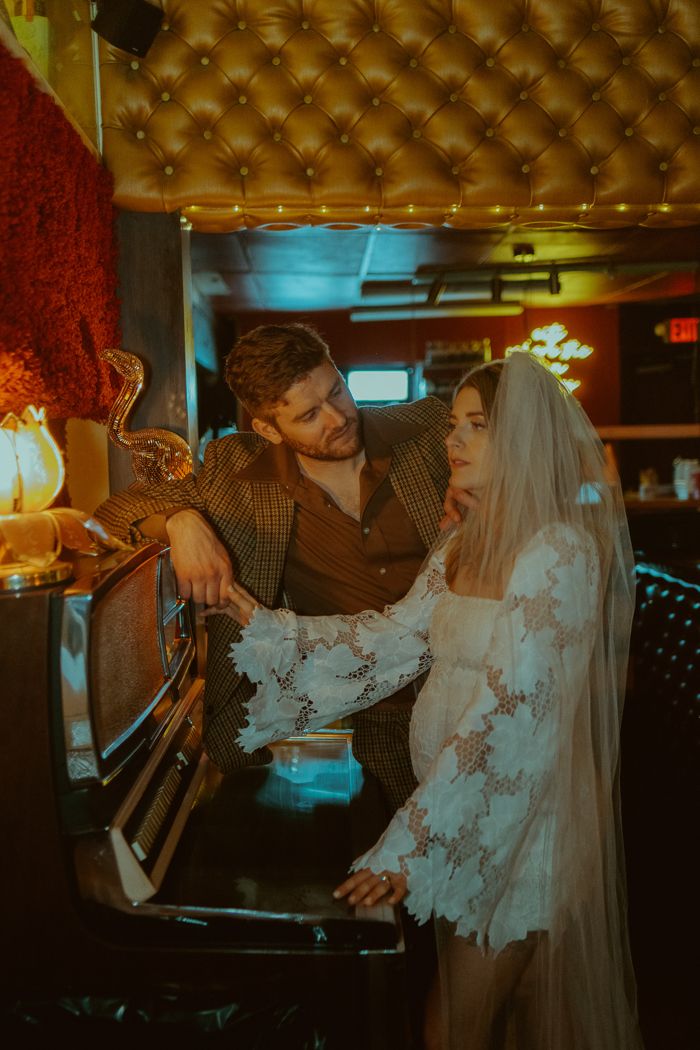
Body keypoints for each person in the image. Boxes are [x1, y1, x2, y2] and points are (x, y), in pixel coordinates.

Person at [214, 352, 643, 1050]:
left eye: (477, 425)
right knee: (516, 1014)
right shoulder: (461, 542)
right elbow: (396, 637)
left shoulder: (560, 552)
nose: (453, 440)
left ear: (526, 439)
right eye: (453, 424)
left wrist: (411, 845)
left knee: (456, 1026)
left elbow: (515, 711)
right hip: (462, 814)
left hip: (521, 822)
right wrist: (266, 631)